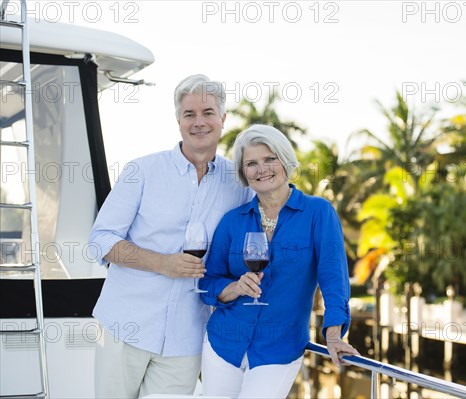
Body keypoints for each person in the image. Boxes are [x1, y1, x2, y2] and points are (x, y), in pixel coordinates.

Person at [88, 74, 254, 398]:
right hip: (125, 326)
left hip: (186, 337)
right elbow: (101, 238)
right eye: (189, 114)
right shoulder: (142, 171)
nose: (199, 122)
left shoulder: (239, 185)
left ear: (222, 119)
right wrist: (161, 262)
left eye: (207, 113)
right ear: (178, 120)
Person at [199, 124, 358, 398]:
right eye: (251, 163)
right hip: (223, 343)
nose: (262, 169)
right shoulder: (232, 221)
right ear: (243, 172)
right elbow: (207, 282)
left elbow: (334, 280)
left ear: (284, 160)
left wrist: (333, 335)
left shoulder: (318, 213)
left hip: (279, 348)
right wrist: (236, 287)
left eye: (269, 159)